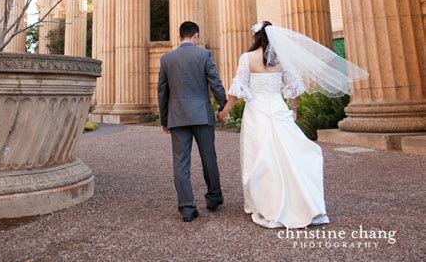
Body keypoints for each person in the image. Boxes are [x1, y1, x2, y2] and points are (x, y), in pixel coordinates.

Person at [218, 20, 369, 229]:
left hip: (257, 113)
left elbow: (237, 89)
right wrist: (293, 112)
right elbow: (292, 89)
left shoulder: (247, 58)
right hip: (278, 110)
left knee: (259, 156)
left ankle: (264, 203)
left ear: (255, 36)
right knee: (287, 154)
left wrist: (225, 111)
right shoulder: (281, 60)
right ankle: (299, 201)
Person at [158, 21, 227, 222]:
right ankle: (214, 198)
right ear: (196, 36)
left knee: (181, 163)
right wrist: (222, 105)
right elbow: (215, 82)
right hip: (202, 116)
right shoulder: (203, 55)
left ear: (179, 37)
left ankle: (187, 208)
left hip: (177, 117)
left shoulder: (167, 59)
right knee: (208, 158)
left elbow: (162, 92)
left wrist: (164, 119)